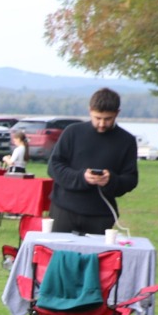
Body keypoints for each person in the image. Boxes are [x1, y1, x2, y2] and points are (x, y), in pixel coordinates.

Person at [46, 87, 139, 235]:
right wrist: (81, 177)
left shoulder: (127, 141)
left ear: (117, 113)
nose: (102, 124)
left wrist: (110, 180)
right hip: (63, 210)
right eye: (98, 118)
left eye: (108, 119)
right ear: (90, 111)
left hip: (101, 215)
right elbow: (54, 167)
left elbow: (131, 179)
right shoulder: (72, 132)